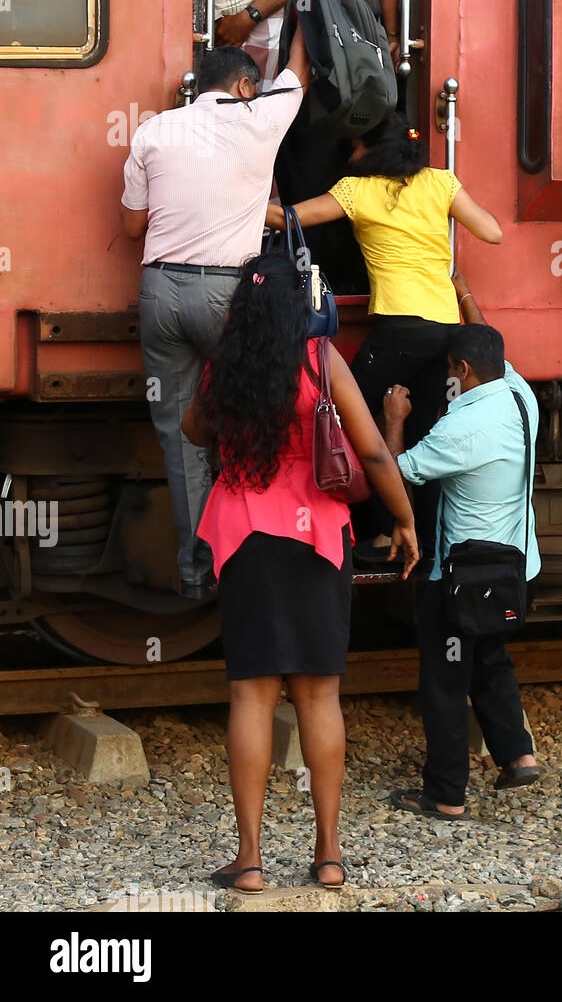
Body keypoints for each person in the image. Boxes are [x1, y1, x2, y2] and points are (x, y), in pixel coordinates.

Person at [182, 253, 419, 893]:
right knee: (319, 695)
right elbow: (370, 448)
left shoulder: (225, 367)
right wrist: (403, 518)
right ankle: (329, 855)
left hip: (245, 536)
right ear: (301, 304)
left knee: (251, 695)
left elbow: (193, 428)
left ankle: (251, 860)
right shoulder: (321, 360)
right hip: (318, 538)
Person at [121, 21, 311, 599]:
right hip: (227, 295)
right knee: (255, 420)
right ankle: (257, 564)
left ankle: (197, 572)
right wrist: (306, 2)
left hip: (159, 294)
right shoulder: (258, 119)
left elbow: (132, 226)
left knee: (181, 438)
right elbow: (297, 77)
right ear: (246, 88)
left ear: (196, 87)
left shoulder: (153, 132)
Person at [264, 114, 502, 565]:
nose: (349, 156)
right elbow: (493, 231)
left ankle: (374, 531)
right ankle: (422, 541)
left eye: (354, 148)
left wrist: (231, 201)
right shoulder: (441, 182)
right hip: (445, 329)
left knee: (349, 423)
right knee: (423, 433)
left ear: (373, 153)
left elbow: (289, 218)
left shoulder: (359, 190)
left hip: (399, 328)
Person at [382, 307, 541, 819]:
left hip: (462, 582)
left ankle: (446, 796)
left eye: (452, 370)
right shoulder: (521, 395)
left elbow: (393, 475)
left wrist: (395, 420)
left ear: (464, 370)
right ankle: (518, 755)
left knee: (445, 683)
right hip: (516, 571)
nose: (449, 379)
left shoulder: (463, 428)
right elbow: (495, 351)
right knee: (489, 655)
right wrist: (466, 296)